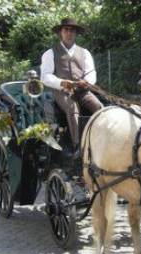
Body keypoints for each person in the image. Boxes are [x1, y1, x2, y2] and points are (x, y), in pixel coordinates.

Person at [40, 17, 103, 153]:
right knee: (72, 108)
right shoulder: (50, 53)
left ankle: (100, 141)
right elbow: (45, 77)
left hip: (82, 90)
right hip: (62, 91)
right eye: (66, 30)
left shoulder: (85, 53)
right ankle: (78, 147)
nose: (69, 33)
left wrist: (87, 82)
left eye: (72, 31)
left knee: (99, 108)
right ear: (60, 33)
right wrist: (61, 82)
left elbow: (91, 73)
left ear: (76, 34)